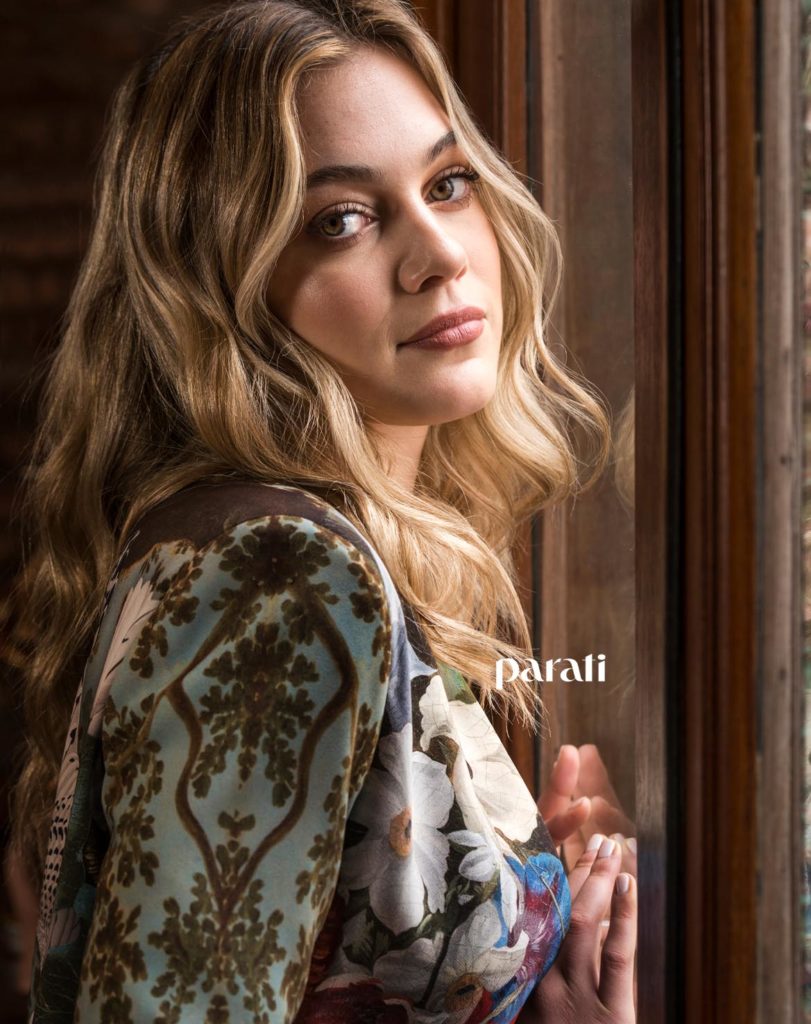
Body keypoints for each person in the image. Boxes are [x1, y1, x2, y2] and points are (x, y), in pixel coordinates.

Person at [5, 1, 637, 1021]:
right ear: (224, 285)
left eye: (446, 184)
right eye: (341, 218)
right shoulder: (280, 574)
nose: (440, 255)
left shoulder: (258, 544)